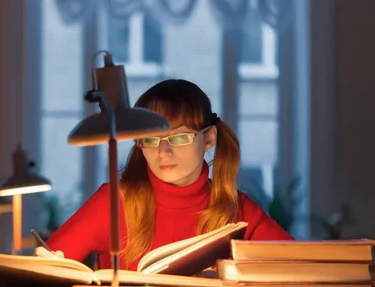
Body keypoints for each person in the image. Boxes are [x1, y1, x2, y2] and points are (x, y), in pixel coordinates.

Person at [36, 79, 294, 271]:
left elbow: (302, 265)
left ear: (208, 139)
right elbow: (43, 271)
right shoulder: (114, 201)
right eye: (150, 139)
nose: (163, 151)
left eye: (180, 137)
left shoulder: (237, 210)